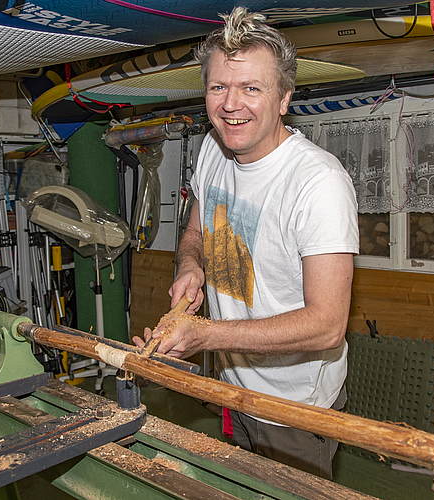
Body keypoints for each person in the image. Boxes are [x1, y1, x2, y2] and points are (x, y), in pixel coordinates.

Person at [133, 7, 359, 479]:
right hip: (233, 384)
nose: (231, 104)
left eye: (251, 88)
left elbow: (327, 326)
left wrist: (206, 336)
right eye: (219, 87)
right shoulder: (214, 149)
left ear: (283, 99)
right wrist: (190, 269)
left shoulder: (317, 183)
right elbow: (195, 232)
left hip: (294, 406)